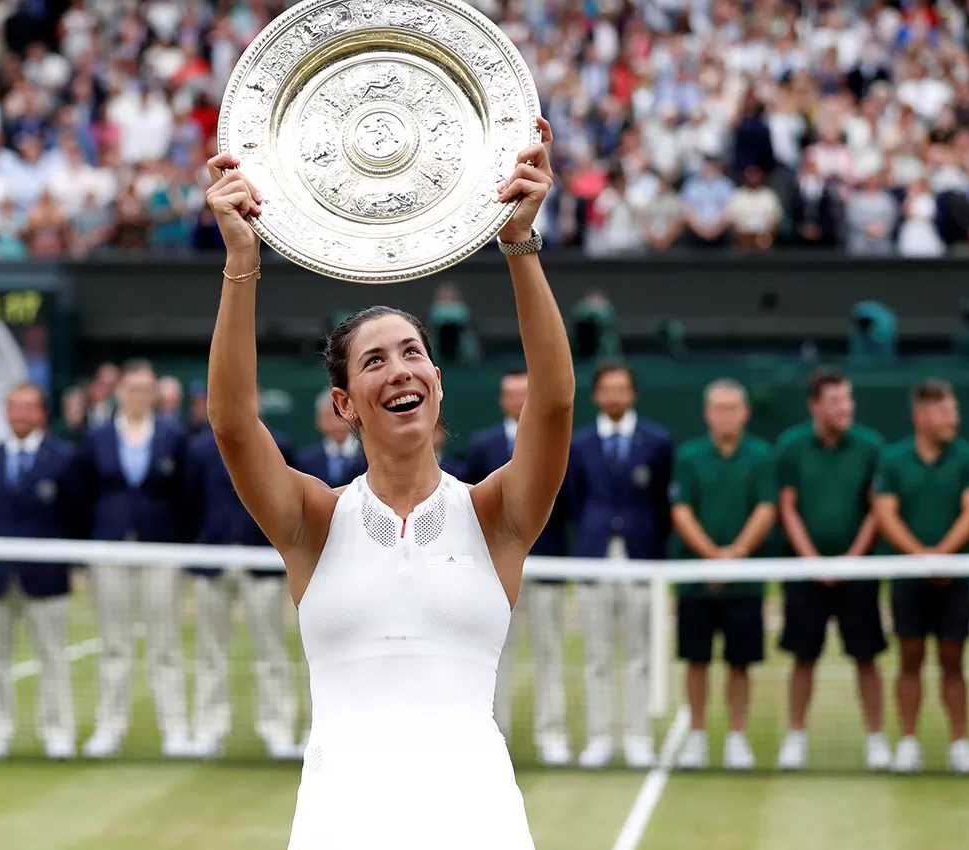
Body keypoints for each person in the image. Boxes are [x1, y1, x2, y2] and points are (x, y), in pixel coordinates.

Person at [202, 116, 568, 849]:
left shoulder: (496, 515)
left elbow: (553, 403)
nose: (399, 369)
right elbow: (234, 423)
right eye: (374, 361)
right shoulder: (313, 520)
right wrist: (242, 260)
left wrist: (520, 245)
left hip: (479, 826)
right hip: (341, 826)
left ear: (436, 378)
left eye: (412, 353)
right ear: (344, 405)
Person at [774, 368, 889, 771]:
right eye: (837, 401)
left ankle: (876, 739)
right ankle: (796, 737)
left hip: (856, 573)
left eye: (848, 399)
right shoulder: (791, 446)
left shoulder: (871, 446)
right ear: (815, 406)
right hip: (807, 575)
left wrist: (852, 560)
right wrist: (812, 561)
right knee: (803, 658)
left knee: (866, 657)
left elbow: (877, 509)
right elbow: (787, 507)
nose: (846, 408)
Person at [80, 360, 193, 760]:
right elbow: (85, 493)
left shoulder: (173, 435)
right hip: (109, 549)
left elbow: (184, 494)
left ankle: (176, 729)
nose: (139, 396)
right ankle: (109, 728)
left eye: (147, 389)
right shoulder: (95, 437)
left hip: (160, 549)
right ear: (119, 393)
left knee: (164, 644)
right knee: (114, 644)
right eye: (132, 389)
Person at [872, 380, 969, 774]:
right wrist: (920, 558)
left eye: (954, 410)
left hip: (954, 577)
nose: (952, 418)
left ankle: (959, 742)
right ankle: (907, 742)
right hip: (908, 577)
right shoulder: (892, 458)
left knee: (953, 660)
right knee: (910, 658)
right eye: (943, 411)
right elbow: (885, 513)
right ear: (920, 416)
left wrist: (941, 557)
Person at [565, 359, 673, 769]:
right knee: (596, 656)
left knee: (638, 655)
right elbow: (574, 499)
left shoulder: (657, 442)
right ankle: (599, 739)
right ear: (596, 395)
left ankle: (637, 737)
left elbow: (662, 502)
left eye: (621, 388)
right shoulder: (579, 443)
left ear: (632, 394)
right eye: (607, 388)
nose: (614, 395)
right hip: (594, 557)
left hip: (641, 558)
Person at [0, 384, 87, 760]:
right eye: (13, 406)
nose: (19, 413)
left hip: (46, 577)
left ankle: (57, 732)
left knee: (53, 657)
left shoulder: (64, 459)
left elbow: (74, 516)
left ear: (40, 414)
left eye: (27, 407)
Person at [184, 392, 301, 760]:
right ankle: (208, 730)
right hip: (213, 557)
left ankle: (278, 729)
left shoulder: (278, 445)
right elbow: (188, 500)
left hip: (261, 558)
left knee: (271, 651)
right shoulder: (199, 448)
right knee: (210, 651)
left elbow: (287, 500)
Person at [465, 367, 570, 766]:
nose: (519, 400)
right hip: (493, 571)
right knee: (495, 656)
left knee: (550, 651)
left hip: (547, 562)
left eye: (526, 392)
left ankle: (552, 734)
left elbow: (567, 500)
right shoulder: (483, 445)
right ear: (502, 400)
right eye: (512, 393)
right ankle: (495, 735)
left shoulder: (559, 443)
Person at [669, 379, 775, 771]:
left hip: (744, 582)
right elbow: (681, 511)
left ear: (745, 412)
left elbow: (766, 508)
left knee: (739, 663)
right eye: (719, 408)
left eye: (733, 408)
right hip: (698, 581)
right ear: (707, 413)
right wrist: (713, 558)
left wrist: (737, 555)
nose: (726, 415)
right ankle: (696, 737)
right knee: (697, 661)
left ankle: (736, 738)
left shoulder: (762, 456)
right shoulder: (690, 456)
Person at [295, 390, 365, 488]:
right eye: (329, 416)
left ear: (352, 416)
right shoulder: (306, 460)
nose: (336, 423)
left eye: (340, 416)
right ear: (318, 420)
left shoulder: (369, 456)